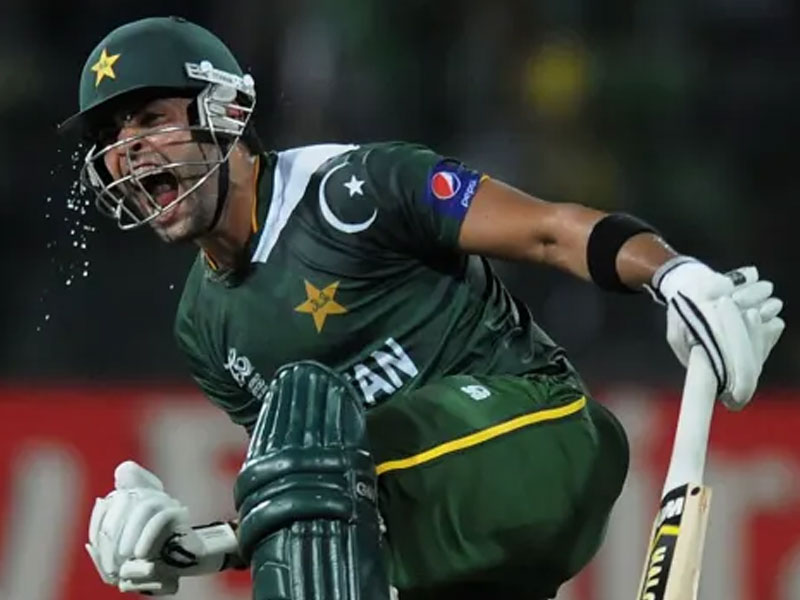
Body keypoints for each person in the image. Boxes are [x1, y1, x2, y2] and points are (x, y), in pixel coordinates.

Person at [66, 16, 784, 600]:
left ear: (225, 109)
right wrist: (187, 550)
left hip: (544, 440)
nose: (127, 153)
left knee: (308, 416)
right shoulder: (203, 326)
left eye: (149, 120)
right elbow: (317, 518)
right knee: (306, 446)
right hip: (444, 537)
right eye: (112, 140)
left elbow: (549, 228)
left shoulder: (353, 188)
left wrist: (675, 274)